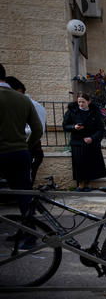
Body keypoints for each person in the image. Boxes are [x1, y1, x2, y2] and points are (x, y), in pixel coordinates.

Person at [0, 63, 42, 218]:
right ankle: (29, 233)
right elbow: (38, 129)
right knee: (24, 195)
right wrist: (26, 145)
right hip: (20, 152)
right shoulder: (23, 99)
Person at [62, 92, 106, 191]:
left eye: (83, 102)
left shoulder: (95, 112)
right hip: (77, 142)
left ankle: (87, 184)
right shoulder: (72, 111)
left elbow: (100, 129)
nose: (81, 104)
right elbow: (65, 126)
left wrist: (92, 138)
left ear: (89, 101)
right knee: (79, 164)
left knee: (90, 163)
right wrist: (74, 127)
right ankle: (81, 184)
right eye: (79, 102)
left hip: (91, 142)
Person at [4, 76, 46, 184]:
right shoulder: (23, 103)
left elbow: (36, 129)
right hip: (22, 148)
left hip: (26, 148)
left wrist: (27, 146)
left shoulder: (29, 104)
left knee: (23, 184)